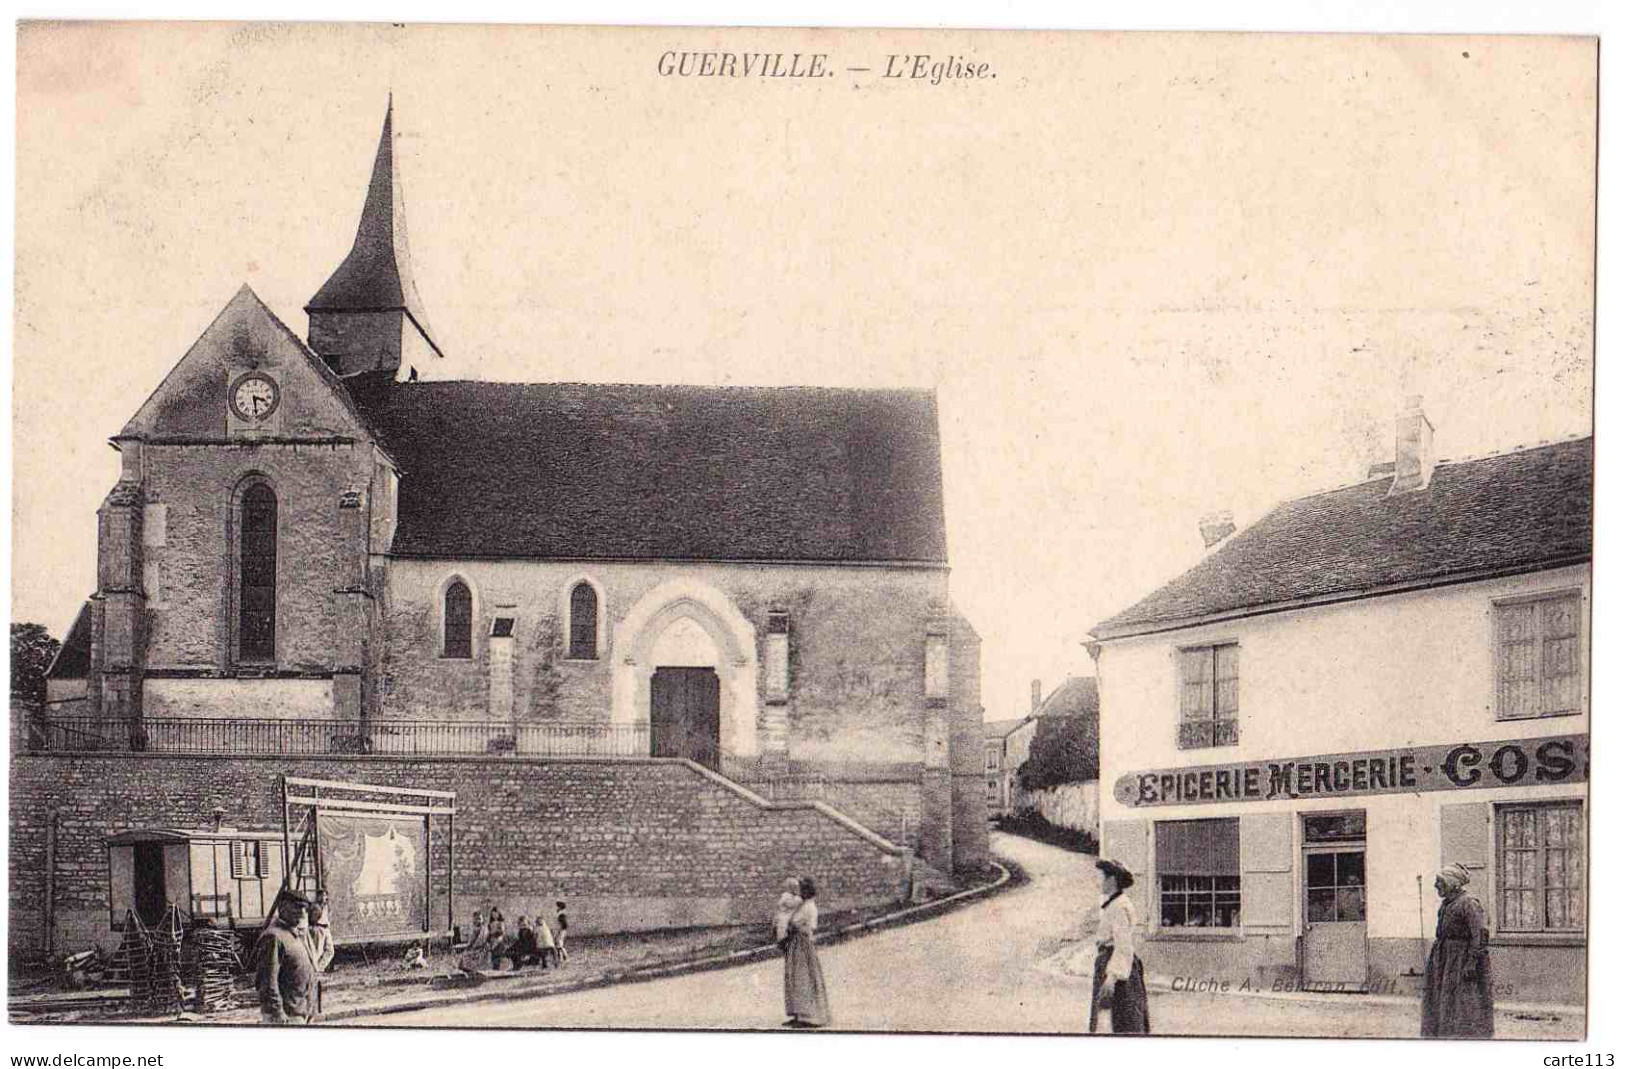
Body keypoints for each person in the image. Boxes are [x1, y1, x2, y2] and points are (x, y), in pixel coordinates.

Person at [1421, 863, 1494, 1038]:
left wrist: (1471, 962)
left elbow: (1480, 934)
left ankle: (1466, 1034)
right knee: (1443, 996)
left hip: (1461, 958)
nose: (1436, 886)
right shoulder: (1447, 904)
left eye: (1440, 882)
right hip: (1445, 957)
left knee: (1464, 999)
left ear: (1452, 882)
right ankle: (1445, 1031)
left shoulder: (1468, 903)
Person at [1090, 858, 1150, 1034]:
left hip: (1117, 970)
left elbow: (1123, 945)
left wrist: (1111, 978)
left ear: (1111, 880)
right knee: (1115, 1020)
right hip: (1113, 965)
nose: (1096, 881)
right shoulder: (1115, 904)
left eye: (1099, 877)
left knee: (1122, 1021)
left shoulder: (1118, 907)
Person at [253, 888, 319, 1025]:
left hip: (301, 1013)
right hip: (286, 1017)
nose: (301, 913)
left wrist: (311, 1010)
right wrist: (278, 1014)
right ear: (282, 907)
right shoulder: (274, 937)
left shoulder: (294, 935)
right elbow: (267, 982)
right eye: (296, 907)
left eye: (304, 908)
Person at [782, 876, 832, 1028]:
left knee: (804, 978)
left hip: (803, 945)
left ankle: (809, 1016)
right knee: (795, 978)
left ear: (807, 891)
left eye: (802, 890)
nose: (799, 893)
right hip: (795, 944)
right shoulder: (802, 905)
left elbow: (809, 927)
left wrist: (794, 927)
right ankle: (798, 1013)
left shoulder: (810, 907)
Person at [774, 877, 802, 947]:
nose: (797, 888)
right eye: (795, 887)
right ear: (790, 887)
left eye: (797, 887)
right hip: (784, 915)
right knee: (784, 923)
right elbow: (791, 904)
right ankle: (782, 940)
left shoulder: (794, 896)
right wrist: (798, 899)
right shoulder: (786, 896)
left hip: (790, 914)